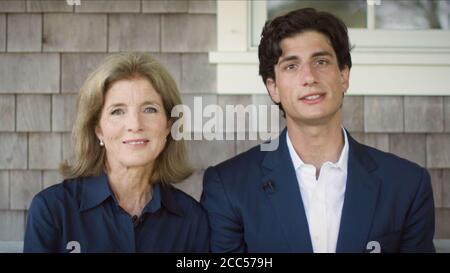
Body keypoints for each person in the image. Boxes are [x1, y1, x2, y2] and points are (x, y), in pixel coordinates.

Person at [201, 8, 435, 253]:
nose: (309, 77)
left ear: (343, 76)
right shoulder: (229, 186)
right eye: (291, 66)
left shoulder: (407, 184)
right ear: (274, 88)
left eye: (320, 62)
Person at [24, 53, 209, 253]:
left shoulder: (192, 218)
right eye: (117, 111)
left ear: (168, 126)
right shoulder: (53, 210)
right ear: (98, 130)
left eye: (149, 109)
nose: (135, 125)